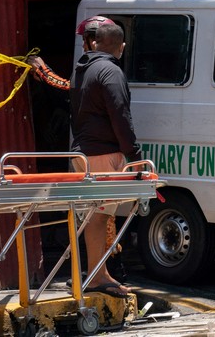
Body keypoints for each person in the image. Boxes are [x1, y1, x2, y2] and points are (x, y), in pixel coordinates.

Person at [69, 21, 140, 297]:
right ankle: (97, 276)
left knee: (94, 217)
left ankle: (97, 273)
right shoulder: (110, 71)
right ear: (120, 47)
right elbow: (121, 117)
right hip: (104, 155)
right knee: (99, 218)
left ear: (92, 43)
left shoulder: (81, 71)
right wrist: (135, 156)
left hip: (84, 153)